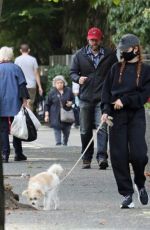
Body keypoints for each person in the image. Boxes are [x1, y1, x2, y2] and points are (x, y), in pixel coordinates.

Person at [101, 34, 150, 208]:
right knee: (118, 156)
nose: (123, 53)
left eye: (126, 50)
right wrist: (105, 111)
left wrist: (126, 100)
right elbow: (106, 92)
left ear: (135, 48)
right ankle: (127, 194)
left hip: (135, 114)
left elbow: (144, 95)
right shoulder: (115, 68)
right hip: (116, 116)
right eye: (121, 50)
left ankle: (140, 183)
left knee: (139, 154)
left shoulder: (145, 70)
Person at [70, 27, 118, 169]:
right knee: (85, 130)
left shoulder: (110, 55)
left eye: (96, 40)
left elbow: (115, 73)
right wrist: (78, 79)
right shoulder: (79, 55)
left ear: (100, 39)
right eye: (91, 39)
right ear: (87, 39)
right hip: (85, 97)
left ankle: (102, 157)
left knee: (102, 128)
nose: (94, 42)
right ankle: (86, 157)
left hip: (103, 98)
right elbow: (72, 72)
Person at [0, 46, 29, 163]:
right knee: (17, 127)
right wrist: (25, 100)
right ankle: (18, 153)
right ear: (11, 56)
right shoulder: (16, 68)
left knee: (2, 129)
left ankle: (4, 154)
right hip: (15, 102)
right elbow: (22, 85)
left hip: (1, 102)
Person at [44, 75, 74, 146]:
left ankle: (65, 143)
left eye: (61, 82)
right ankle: (58, 145)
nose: (60, 84)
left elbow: (73, 99)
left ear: (64, 83)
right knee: (57, 131)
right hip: (55, 116)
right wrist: (46, 115)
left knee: (66, 132)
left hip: (67, 115)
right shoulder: (52, 92)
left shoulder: (68, 90)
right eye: (58, 83)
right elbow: (47, 104)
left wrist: (71, 103)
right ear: (55, 84)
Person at [15, 44, 43, 111]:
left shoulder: (17, 60)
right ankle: (30, 119)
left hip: (20, 85)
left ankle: (22, 120)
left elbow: (15, 73)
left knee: (21, 103)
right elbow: (36, 73)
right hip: (31, 85)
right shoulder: (33, 60)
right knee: (30, 103)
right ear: (29, 50)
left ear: (20, 50)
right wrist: (39, 86)